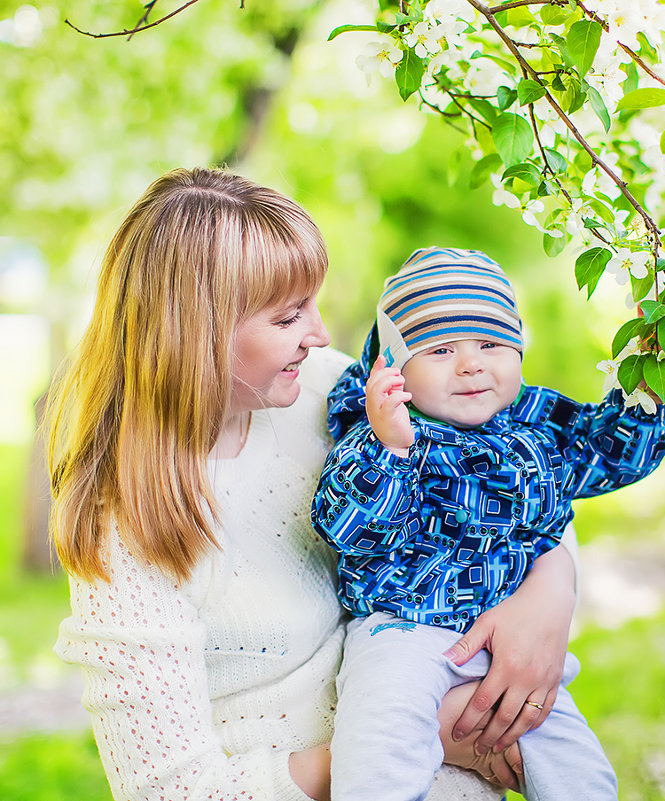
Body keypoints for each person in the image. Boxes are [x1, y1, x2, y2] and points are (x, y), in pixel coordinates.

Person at [46, 168, 581, 801]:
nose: (322, 334)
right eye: (287, 317)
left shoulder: (329, 391)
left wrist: (549, 594)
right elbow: (173, 792)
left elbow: (508, 472)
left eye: (313, 304)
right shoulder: (126, 532)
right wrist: (419, 733)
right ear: (198, 336)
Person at [311, 247, 665, 800]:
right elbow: (348, 528)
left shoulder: (536, 423)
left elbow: (609, 452)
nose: (471, 364)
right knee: (380, 746)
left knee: (580, 771)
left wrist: (652, 383)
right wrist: (389, 447)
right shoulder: (384, 431)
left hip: (511, 641)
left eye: (490, 343)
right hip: (403, 631)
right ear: (395, 367)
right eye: (440, 350)